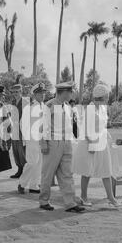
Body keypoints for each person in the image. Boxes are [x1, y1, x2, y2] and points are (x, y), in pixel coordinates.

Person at [72, 84, 122, 208]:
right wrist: (92, 145)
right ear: (102, 96)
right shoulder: (90, 109)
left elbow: (102, 127)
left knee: (106, 170)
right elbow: (85, 129)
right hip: (90, 144)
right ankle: (83, 196)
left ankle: (111, 198)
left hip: (102, 143)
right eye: (107, 95)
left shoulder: (103, 108)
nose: (108, 98)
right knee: (87, 171)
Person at [39, 81, 85, 213]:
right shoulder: (50, 105)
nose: (72, 94)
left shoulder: (67, 106)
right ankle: (44, 200)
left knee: (67, 174)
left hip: (66, 142)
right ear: (64, 92)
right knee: (48, 173)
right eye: (70, 91)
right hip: (53, 142)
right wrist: (43, 143)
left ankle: (70, 203)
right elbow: (44, 126)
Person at [18, 82, 46, 194]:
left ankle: (34, 185)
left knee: (39, 163)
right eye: (39, 93)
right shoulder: (29, 107)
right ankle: (22, 183)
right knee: (32, 162)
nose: (42, 95)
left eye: (43, 93)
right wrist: (27, 139)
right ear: (34, 95)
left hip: (42, 139)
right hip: (32, 139)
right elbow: (22, 123)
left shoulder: (44, 107)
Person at [10, 83, 26, 178]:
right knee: (15, 149)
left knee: (22, 150)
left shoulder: (25, 102)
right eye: (14, 92)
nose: (15, 94)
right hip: (14, 129)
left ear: (21, 92)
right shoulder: (13, 102)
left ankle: (24, 170)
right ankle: (19, 169)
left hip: (22, 129)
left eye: (17, 92)